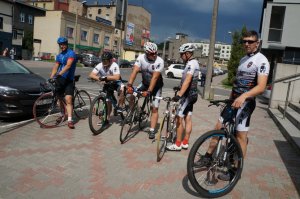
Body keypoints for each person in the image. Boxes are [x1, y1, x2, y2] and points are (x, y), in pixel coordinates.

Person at [196, 30, 270, 181]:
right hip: (234, 100)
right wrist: (230, 100)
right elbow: (237, 84)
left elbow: (261, 86)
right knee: (218, 127)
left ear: (257, 43)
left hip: (247, 103)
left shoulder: (262, 61)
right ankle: (208, 156)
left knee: (241, 136)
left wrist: (244, 96)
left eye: (250, 41)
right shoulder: (243, 59)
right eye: (244, 41)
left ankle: (235, 171)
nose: (247, 44)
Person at [127, 42, 164, 139]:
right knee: (131, 96)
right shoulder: (140, 58)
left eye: (156, 52)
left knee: (154, 108)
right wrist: (129, 85)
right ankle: (133, 113)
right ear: (146, 53)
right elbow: (134, 71)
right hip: (144, 83)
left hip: (156, 87)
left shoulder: (159, 61)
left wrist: (148, 92)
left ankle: (152, 130)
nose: (155, 55)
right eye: (152, 53)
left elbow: (155, 78)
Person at [166, 43, 200, 151]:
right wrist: (179, 87)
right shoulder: (193, 62)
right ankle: (185, 142)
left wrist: (179, 95)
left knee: (179, 118)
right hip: (192, 95)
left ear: (187, 53)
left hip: (188, 96)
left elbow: (188, 79)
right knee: (188, 118)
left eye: (182, 54)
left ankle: (177, 144)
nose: (181, 56)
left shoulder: (191, 64)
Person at [89, 51, 125, 126]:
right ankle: (107, 119)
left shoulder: (114, 65)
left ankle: (120, 106)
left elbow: (116, 77)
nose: (104, 62)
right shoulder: (100, 65)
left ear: (110, 60)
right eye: (103, 60)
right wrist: (99, 78)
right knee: (108, 101)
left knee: (122, 89)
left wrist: (105, 78)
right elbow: (91, 75)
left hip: (116, 82)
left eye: (106, 60)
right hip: (107, 83)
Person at [50, 37, 77, 129]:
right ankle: (62, 114)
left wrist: (58, 74)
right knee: (60, 99)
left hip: (68, 79)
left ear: (66, 44)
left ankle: (70, 120)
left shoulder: (71, 53)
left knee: (68, 99)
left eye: (63, 44)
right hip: (60, 80)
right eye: (60, 45)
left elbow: (68, 65)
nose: (62, 46)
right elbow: (55, 67)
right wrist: (51, 77)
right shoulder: (59, 55)